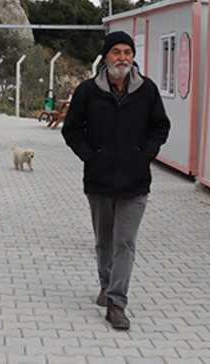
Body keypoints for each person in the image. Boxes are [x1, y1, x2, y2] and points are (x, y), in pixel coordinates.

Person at [61, 31, 170, 330]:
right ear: (106, 57)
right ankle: (107, 285)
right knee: (104, 241)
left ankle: (116, 303)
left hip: (135, 181)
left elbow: (160, 126)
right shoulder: (87, 92)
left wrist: (145, 153)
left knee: (125, 241)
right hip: (99, 179)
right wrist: (90, 156)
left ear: (133, 57)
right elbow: (71, 130)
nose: (123, 58)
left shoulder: (146, 90)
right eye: (116, 52)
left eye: (127, 52)